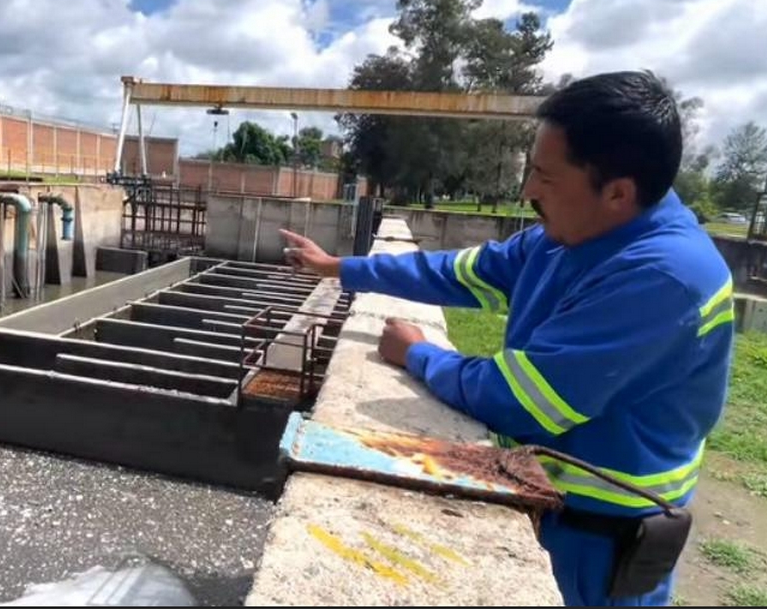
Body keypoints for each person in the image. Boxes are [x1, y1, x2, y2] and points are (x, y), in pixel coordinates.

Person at [280, 70, 733, 607]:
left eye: (545, 176)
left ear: (617, 192)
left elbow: (523, 401)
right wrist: (340, 268)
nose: (528, 192)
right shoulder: (570, 237)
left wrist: (419, 354)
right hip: (555, 508)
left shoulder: (663, 277)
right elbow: (454, 272)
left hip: (600, 543)